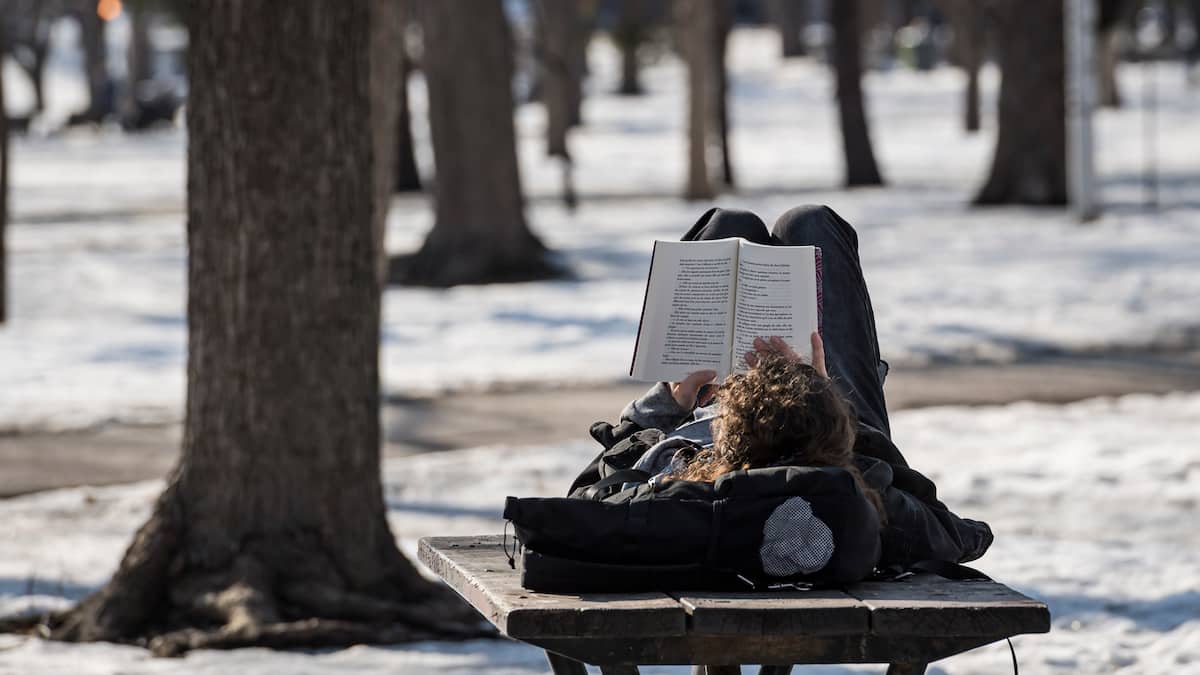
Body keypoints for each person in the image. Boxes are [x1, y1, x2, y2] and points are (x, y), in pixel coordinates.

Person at [595, 205, 992, 568]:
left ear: (727, 437)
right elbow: (960, 536)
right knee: (810, 223)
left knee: (729, 227)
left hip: (713, 410)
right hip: (831, 432)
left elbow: (593, 499)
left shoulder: (680, 489)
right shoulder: (854, 491)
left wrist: (671, 401)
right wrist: (822, 396)